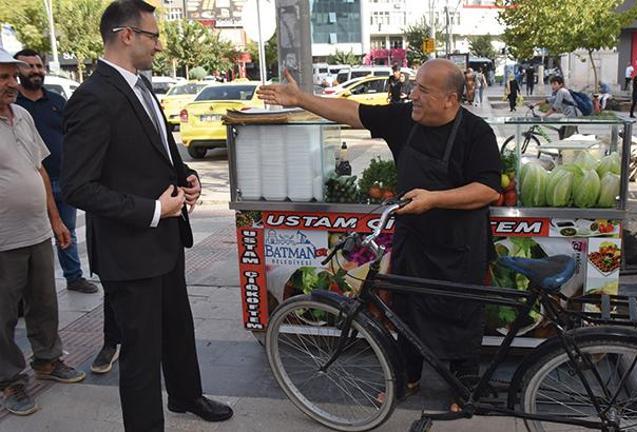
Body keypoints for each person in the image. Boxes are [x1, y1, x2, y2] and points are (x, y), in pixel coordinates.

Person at [258, 59, 502, 412]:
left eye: (423, 90)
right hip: (413, 239)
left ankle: (463, 385)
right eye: (414, 87)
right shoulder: (405, 119)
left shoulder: (476, 133)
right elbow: (354, 111)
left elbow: (487, 189)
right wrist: (301, 98)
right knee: (407, 309)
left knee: (460, 312)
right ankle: (408, 376)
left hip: (460, 244)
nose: (412, 95)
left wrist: (434, 199)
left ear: (451, 99)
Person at [60, 2, 232, 431]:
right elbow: (78, 186)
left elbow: (161, 152)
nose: (159, 44)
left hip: (166, 240)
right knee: (140, 353)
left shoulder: (142, 86)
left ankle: (186, 395)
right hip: (129, 251)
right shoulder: (92, 97)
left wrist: (187, 176)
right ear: (126, 35)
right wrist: (154, 210)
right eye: (154, 36)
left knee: (177, 328)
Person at [0, 48, 86, 416]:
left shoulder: (21, 115)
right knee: (3, 313)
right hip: (4, 239)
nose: (12, 84)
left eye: (13, 76)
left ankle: (48, 360)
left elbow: (40, 171)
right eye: (3, 77)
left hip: (36, 231)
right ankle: (9, 380)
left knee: (44, 302)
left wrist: (56, 220)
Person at [13, 49, 99, 295]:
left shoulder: (56, 102)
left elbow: (75, 135)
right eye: (29, 66)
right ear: (17, 70)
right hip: (31, 183)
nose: (36, 71)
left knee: (66, 230)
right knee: (31, 238)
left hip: (63, 179)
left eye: (39, 66)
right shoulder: (13, 105)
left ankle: (74, 277)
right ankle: (28, 290)